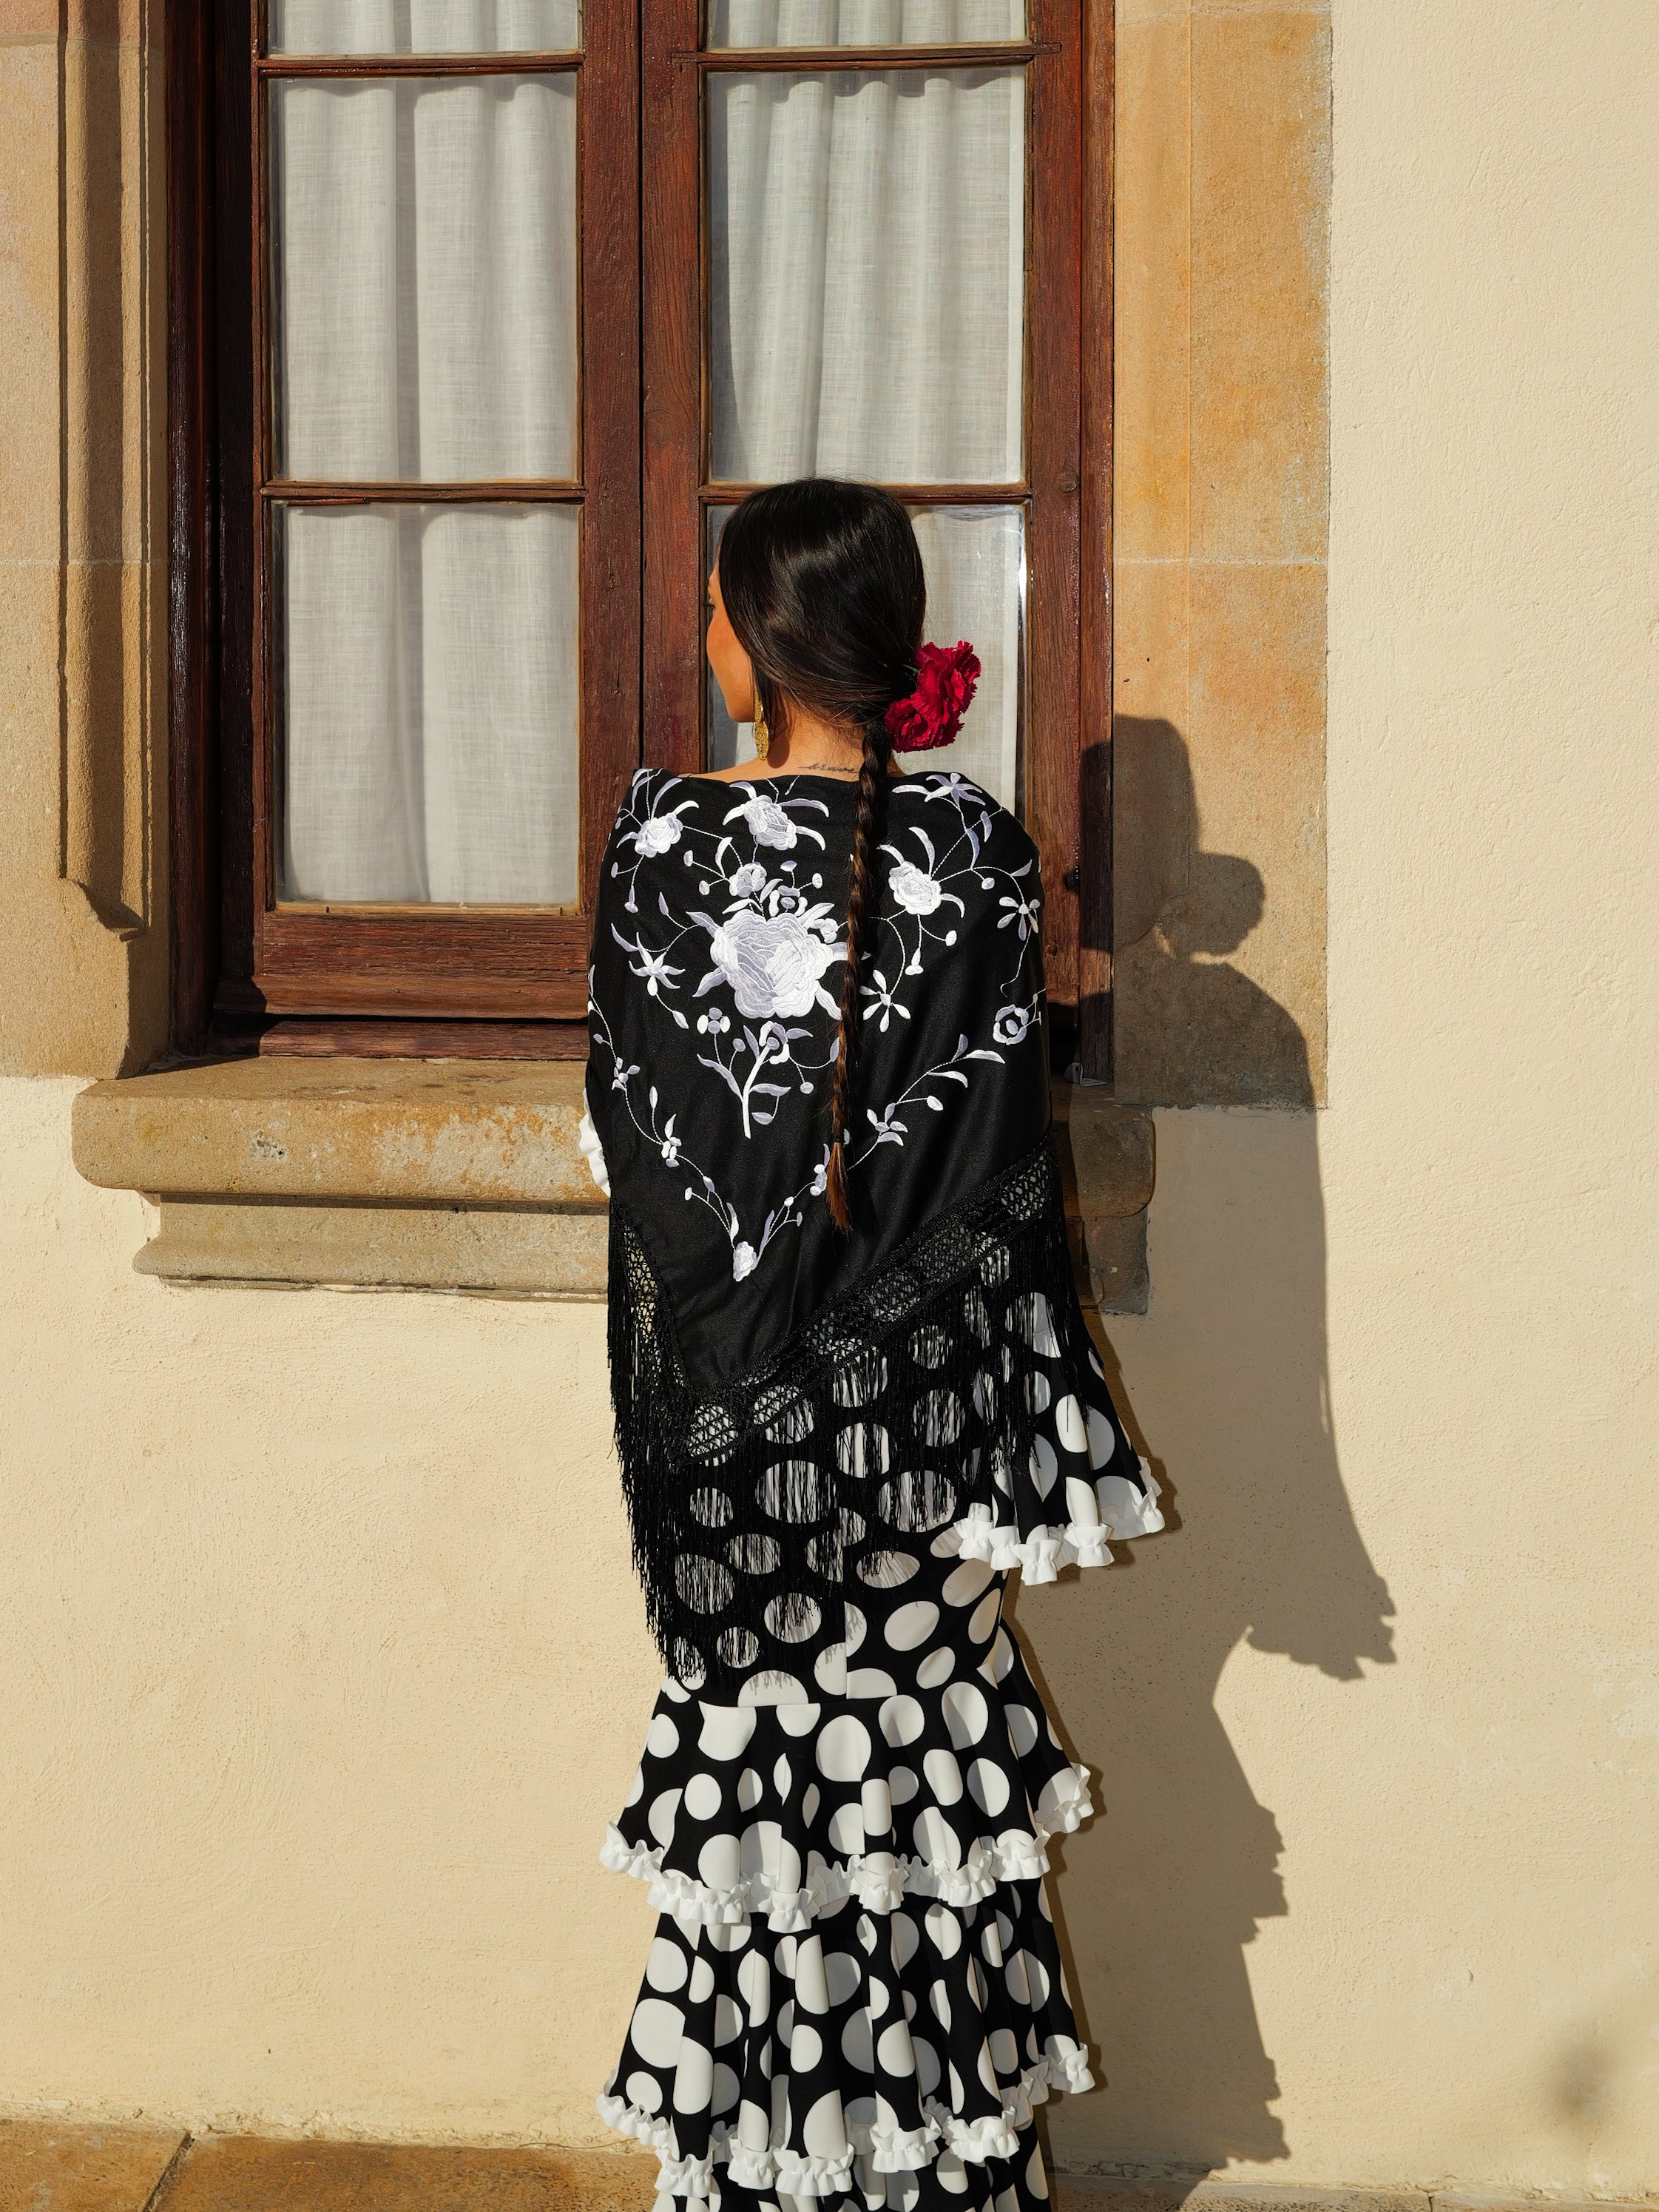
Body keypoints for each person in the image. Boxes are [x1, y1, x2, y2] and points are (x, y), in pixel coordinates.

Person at [581, 480, 1163, 2212]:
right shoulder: (979, 848)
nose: (700, 632)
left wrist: (744, 1346)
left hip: (730, 1445)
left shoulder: (661, 843)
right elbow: (993, 1155)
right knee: (916, 1805)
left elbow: (634, 1137)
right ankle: (936, 2182)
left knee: (767, 1814)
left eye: (710, 607)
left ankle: (770, 2182)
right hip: (920, 1428)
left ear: (757, 644)